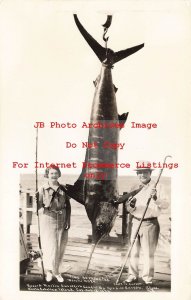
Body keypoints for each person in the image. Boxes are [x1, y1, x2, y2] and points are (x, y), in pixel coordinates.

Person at [115, 161, 168, 284]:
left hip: (150, 223)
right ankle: (132, 275)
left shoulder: (159, 187)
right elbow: (128, 208)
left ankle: (147, 278)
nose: (142, 175)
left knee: (148, 253)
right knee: (133, 251)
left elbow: (165, 205)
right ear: (137, 174)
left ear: (150, 173)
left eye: (145, 172)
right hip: (134, 223)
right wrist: (131, 206)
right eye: (140, 172)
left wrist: (155, 198)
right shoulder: (134, 187)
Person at [36, 165, 71, 282]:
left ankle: (57, 271)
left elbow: (68, 206)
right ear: (47, 175)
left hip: (62, 217)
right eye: (51, 173)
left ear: (59, 174)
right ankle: (49, 271)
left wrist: (68, 220)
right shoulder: (42, 189)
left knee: (60, 246)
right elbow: (39, 205)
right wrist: (40, 210)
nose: (54, 175)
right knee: (49, 246)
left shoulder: (64, 189)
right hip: (47, 218)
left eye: (56, 173)